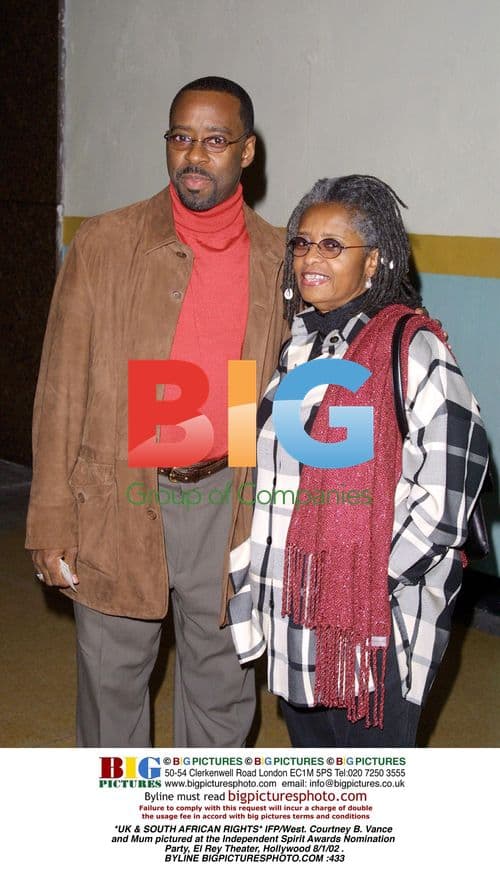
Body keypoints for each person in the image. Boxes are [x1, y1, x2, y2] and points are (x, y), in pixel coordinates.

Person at [26, 76, 287, 748]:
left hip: (229, 495)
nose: (193, 155)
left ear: (247, 152)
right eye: (180, 138)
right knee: (112, 679)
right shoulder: (107, 244)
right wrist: (51, 513)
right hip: (119, 490)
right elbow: (59, 389)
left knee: (223, 680)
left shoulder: (279, 257)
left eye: (214, 140)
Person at [229, 174, 489, 747]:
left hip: (374, 626)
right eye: (301, 242)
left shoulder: (411, 348)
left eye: (331, 244)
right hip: (295, 614)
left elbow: (448, 495)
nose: (308, 257)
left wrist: (370, 583)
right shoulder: (297, 346)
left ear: (373, 263)